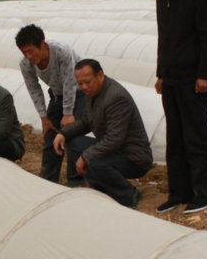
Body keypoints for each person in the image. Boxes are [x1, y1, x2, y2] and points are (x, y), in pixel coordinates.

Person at [137, 0, 207, 214]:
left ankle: (205, 193)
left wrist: (205, 74)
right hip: (171, 79)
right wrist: (161, 73)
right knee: (175, 139)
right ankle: (179, 192)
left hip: (193, 79)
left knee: (197, 137)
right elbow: (164, 38)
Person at [54, 59, 151, 208]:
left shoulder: (116, 97)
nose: (84, 87)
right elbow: (85, 121)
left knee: (94, 162)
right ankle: (101, 189)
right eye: (80, 83)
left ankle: (129, 195)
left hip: (132, 158)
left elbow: (114, 138)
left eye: (87, 82)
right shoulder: (93, 92)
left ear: (100, 75)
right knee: (73, 143)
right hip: (114, 150)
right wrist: (63, 134)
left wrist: (86, 157)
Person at [14, 24, 88, 187]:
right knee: (51, 135)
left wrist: (68, 113)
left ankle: (75, 181)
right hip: (56, 95)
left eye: (30, 51)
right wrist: (44, 118)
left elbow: (70, 82)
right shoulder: (25, 63)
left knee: (72, 134)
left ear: (42, 44)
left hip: (79, 93)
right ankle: (49, 178)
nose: (28, 56)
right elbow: (34, 88)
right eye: (24, 52)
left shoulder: (61, 51)